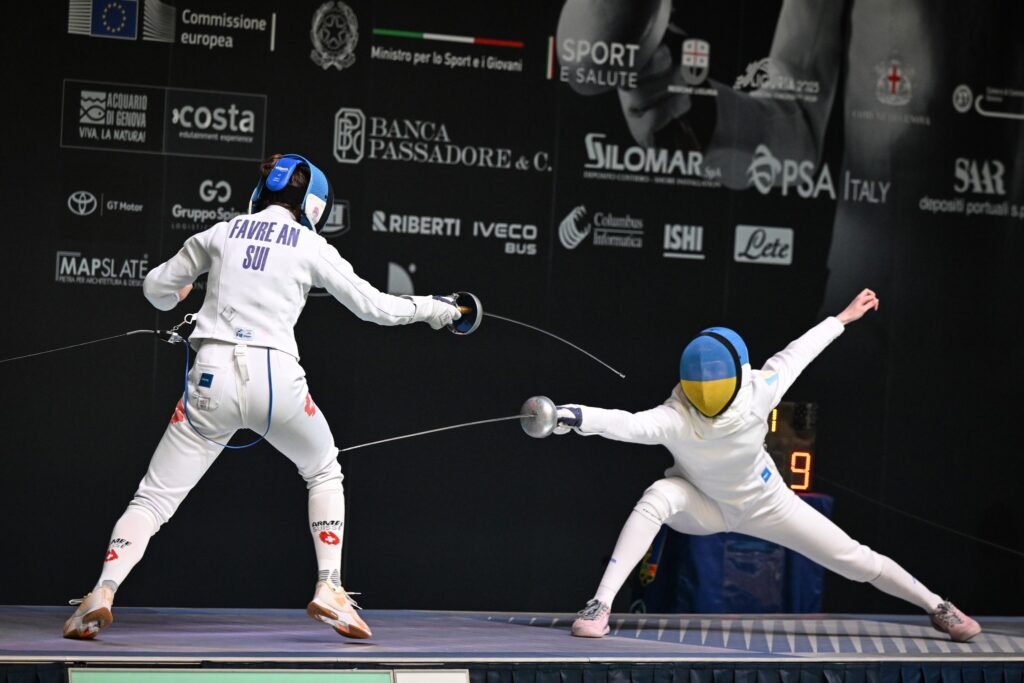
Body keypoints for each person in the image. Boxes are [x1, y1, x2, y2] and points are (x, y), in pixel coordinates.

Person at [62, 153, 463, 641]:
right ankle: (330, 586)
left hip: (210, 380)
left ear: (260, 193)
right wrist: (437, 309)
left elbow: (154, 289)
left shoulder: (220, 233)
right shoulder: (310, 246)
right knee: (323, 470)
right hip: (278, 380)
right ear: (314, 205)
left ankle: (102, 591)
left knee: (154, 497)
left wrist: (178, 293)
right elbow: (376, 308)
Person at [553, 289, 981, 642]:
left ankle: (937, 606)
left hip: (767, 503)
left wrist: (842, 319)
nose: (707, 396)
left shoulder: (760, 389)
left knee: (856, 560)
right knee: (659, 497)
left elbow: (801, 351)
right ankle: (600, 605)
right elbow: (623, 423)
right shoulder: (677, 414)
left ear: (738, 375)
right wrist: (569, 415)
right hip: (703, 504)